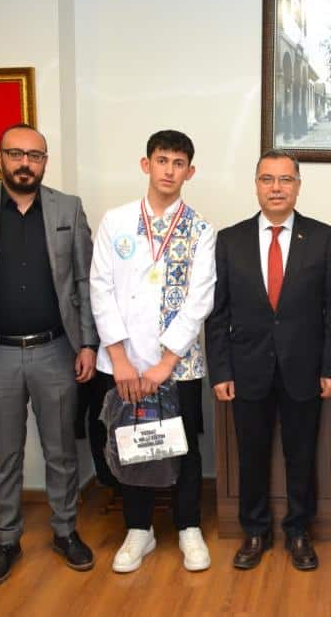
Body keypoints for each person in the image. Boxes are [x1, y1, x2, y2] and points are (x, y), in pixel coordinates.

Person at [0, 123, 98, 587]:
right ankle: (7, 539)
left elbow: (87, 282)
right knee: (3, 453)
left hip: (56, 351)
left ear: (44, 162)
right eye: (16, 154)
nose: (25, 163)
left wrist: (88, 343)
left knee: (61, 451)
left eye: (35, 155)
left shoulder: (68, 208)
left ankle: (65, 531)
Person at [205, 149, 331, 571]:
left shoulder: (322, 238)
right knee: (251, 456)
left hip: (305, 370)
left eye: (285, 179)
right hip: (247, 369)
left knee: (302, 456)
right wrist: (221, 370)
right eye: (267, 179)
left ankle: (299, 530)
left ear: (298, 186)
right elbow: (218, 312)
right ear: (256, 186)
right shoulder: (230, 240)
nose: (277, 187)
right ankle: (255, 531)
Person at [89, 130, 216, 573]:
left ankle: (188, 527)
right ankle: (138, 530)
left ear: (190, 172)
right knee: (132, 442)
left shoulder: (201, 229)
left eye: (178, 163)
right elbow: (100, 289)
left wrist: (165, 363)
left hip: (177, 365)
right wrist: (121, 360)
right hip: (121, 361)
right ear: (146, 165)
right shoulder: (116, 221)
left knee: (184, 445)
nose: (169, 170)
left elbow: (200, 299)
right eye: (162, 160)